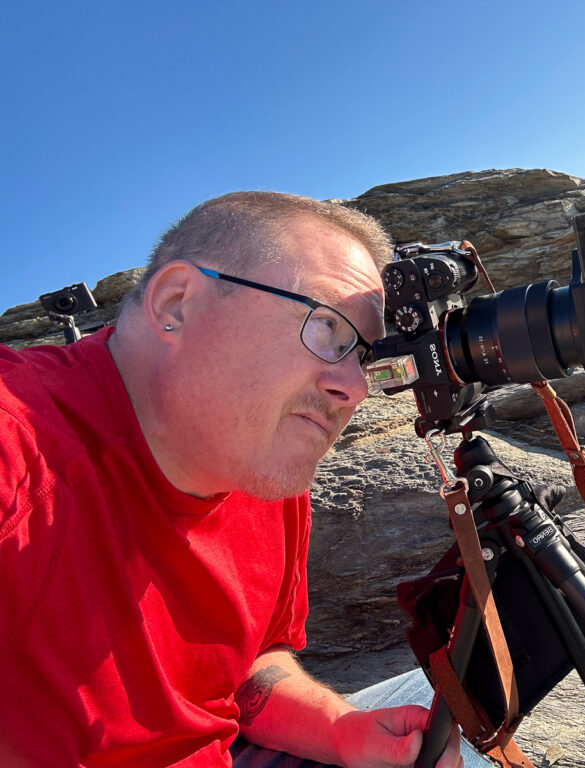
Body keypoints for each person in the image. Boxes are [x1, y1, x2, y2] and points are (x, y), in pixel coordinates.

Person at [0, 192, 479, 768]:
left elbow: (252, 663)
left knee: (467, 720)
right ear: (176, 302)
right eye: (326, 325)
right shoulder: (22, 444)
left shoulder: (270, 466)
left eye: (365, 353)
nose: (353, 387)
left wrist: (338, 730)